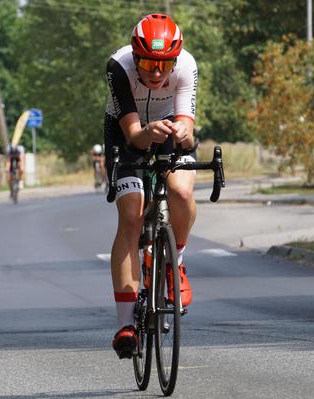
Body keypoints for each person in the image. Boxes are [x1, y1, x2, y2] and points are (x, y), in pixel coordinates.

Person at [104, 13, 198, 359]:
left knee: (182, 192)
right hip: (126, 134)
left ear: (175, 59)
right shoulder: (118, 67)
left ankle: (177, 261)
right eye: (147, 63)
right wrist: (146, 133)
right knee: (131, 215)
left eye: (163, 65)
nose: (156, 73)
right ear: (134, 55)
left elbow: (186, 124)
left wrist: (184, 132)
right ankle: (125, 324)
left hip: (168, 129)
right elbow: (132, 135)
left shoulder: (187, 65)